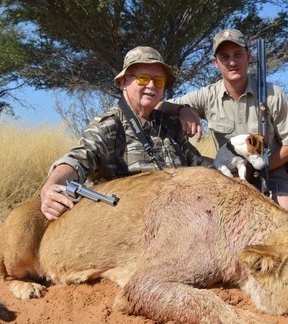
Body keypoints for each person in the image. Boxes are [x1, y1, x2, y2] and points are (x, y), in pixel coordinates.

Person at [41, 46, 208, 221]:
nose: (151, 86)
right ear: (123, 82)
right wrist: (53, 185)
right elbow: (78, 159)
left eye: (159, 81)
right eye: (143, 78)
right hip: (126, 224)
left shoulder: (171, 125)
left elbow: (199, 165)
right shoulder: (109, 124)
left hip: (178, 217)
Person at [161, 29, 288, 217]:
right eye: (225, 57)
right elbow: (160, 106)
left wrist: (259, 168)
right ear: (216, 63)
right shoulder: (207, 95)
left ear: (248, 55)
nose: (232, 62)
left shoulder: (273, 94)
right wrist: (183, 109)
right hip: (228, 174)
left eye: (238, 54)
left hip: (270, 171)